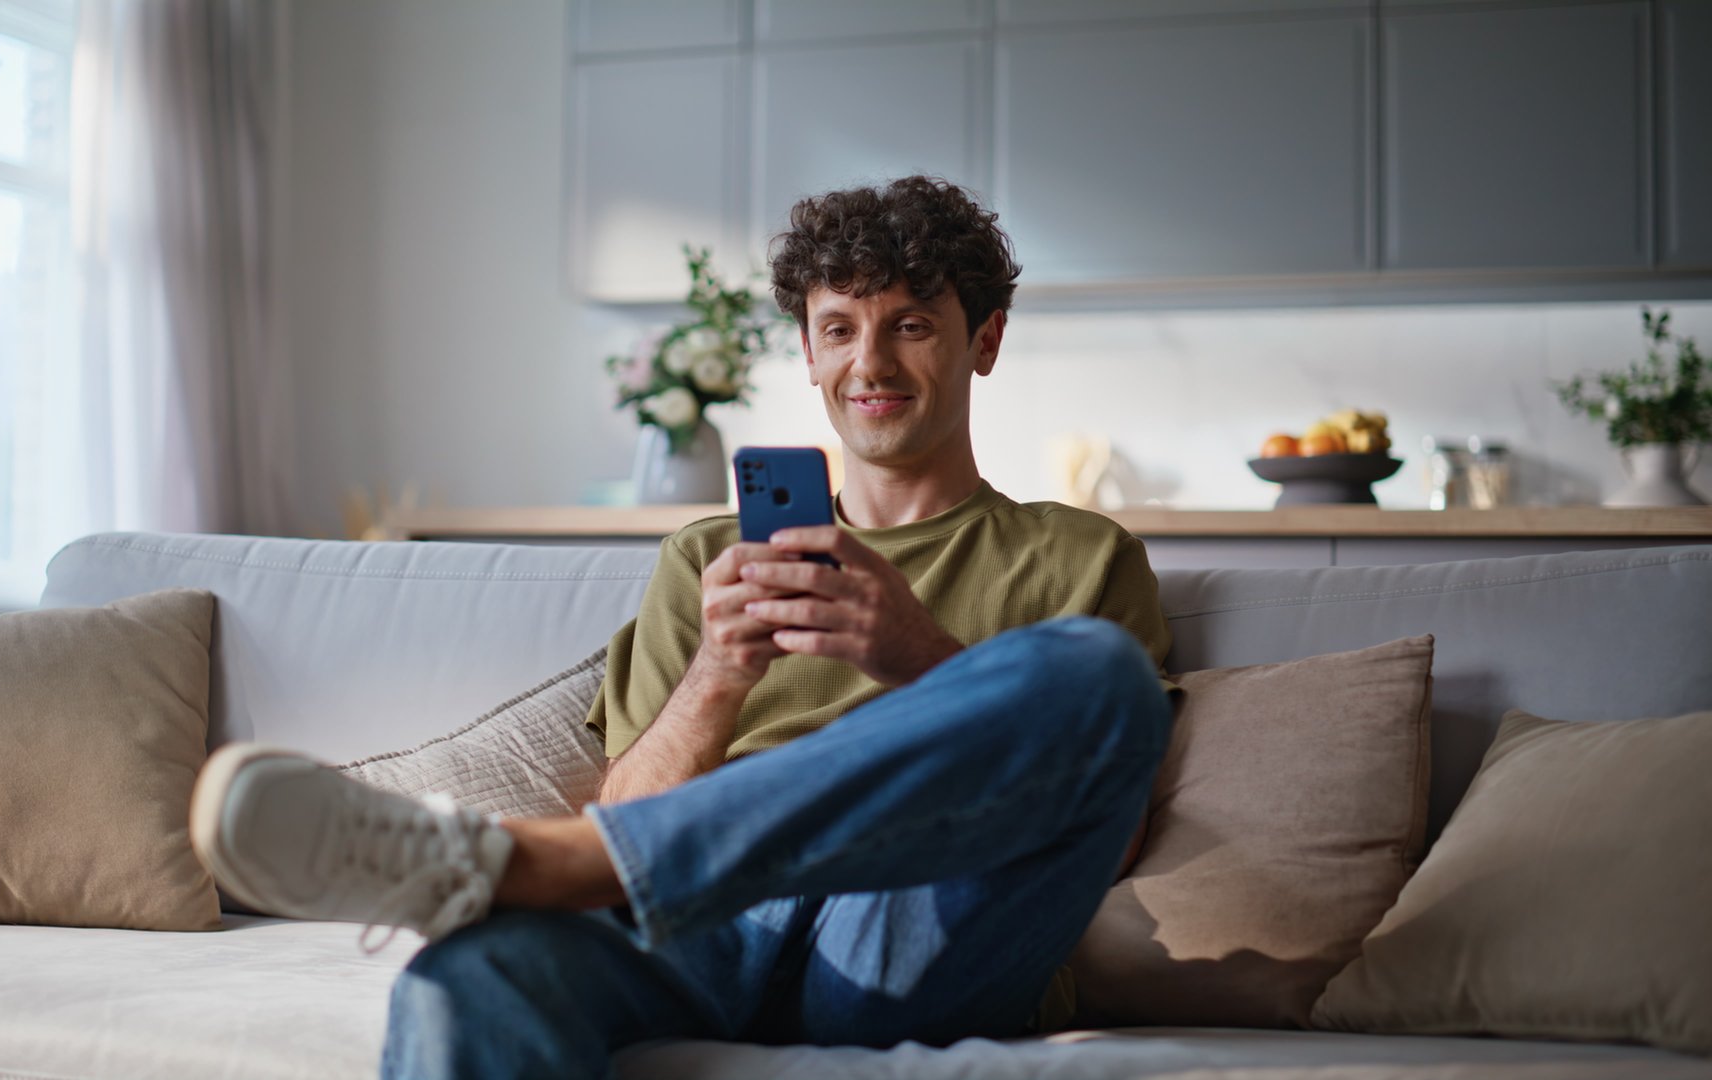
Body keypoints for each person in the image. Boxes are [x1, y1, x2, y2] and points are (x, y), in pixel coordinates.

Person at [190, 175, 1175, 1079]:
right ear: (807, 351)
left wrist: (908, 650)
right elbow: (634, 801)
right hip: (699, 922)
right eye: (837, 329)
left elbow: (1113, 827)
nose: (868, 362)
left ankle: (532, 861)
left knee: (1096, 677)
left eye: (910, 324)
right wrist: (716, 673)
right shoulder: (706, 561)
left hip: (913, 921)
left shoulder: (1078, 556)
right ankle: (539, 872)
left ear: (985, 341)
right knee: (471, 975)